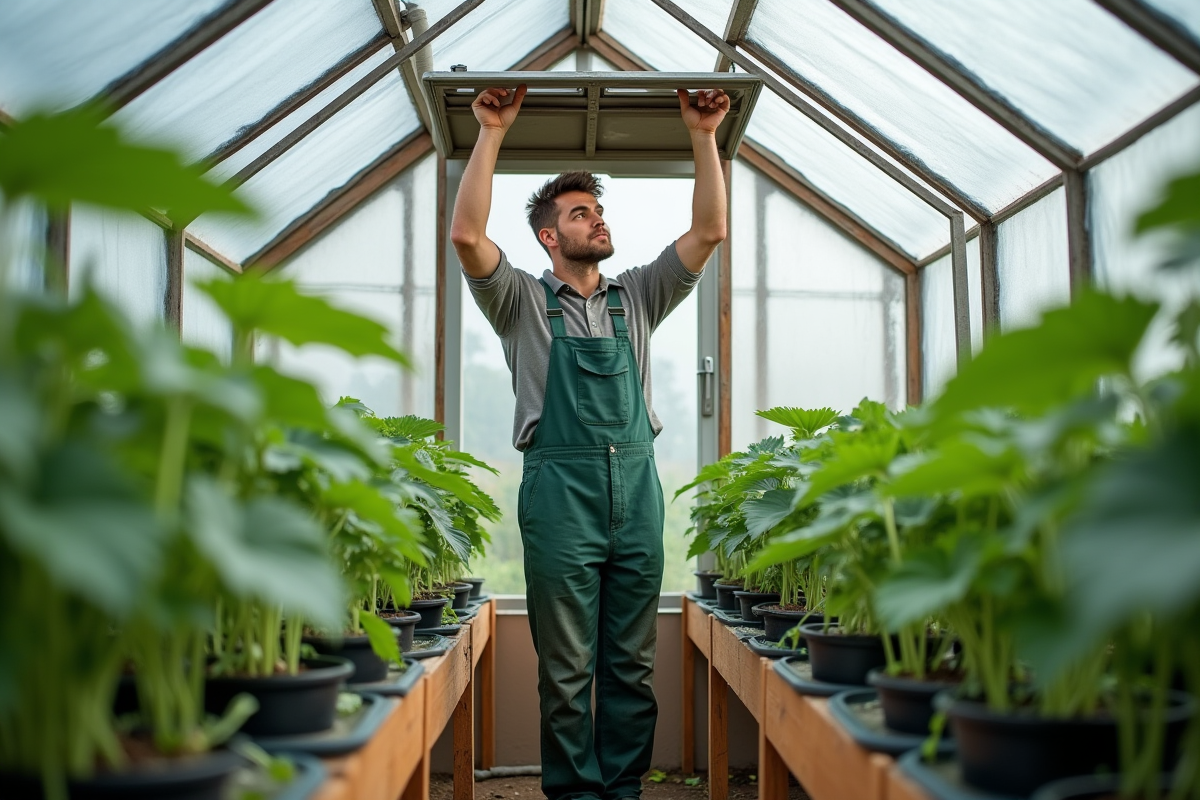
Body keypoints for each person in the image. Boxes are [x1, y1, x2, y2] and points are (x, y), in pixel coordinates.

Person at [451, 82, 729, 800]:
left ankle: (625, 789)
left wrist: (704, 138)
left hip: (635, 490)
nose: (597, 222)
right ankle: (576, 793)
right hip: (560, 493)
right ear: (551, 236)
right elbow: (466, 238)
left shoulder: (636, 294)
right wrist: (491, 131)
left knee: (631, 663)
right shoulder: (518, 301)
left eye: (598, 211)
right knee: (568, 667)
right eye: (581, 214)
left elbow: (708, 233)